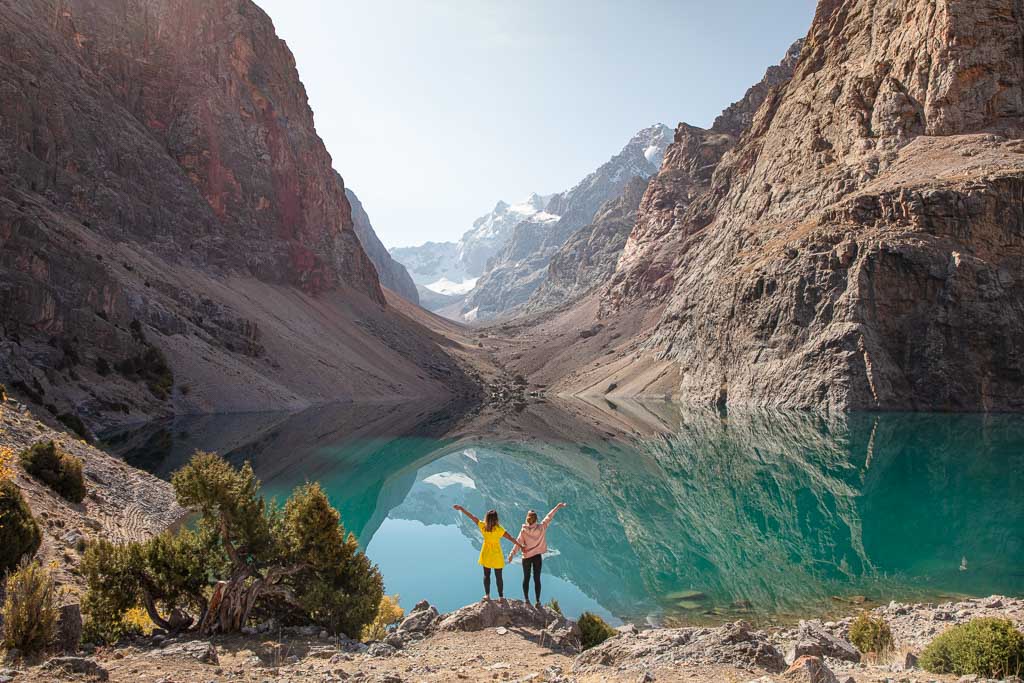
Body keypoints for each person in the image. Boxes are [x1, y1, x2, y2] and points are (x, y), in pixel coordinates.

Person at [453, 505, 524, 601]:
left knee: (486, 575)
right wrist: (520, 546)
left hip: (486, 553)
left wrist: (461, 508)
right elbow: (510, 538)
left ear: (487, 518)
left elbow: (472, 517)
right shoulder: (499, 529)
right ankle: (501, 597)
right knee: (499, 577)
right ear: (496, 519)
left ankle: (487, 595)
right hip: (496, 555)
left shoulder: (483, 526)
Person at [508, 502, 567, 607]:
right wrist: (557, 507)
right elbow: (549, 517)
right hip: (537, 557)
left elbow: (518, 542)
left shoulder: (524, 530)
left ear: (527, 519)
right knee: (537, 579)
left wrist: (512, 554)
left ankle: (526, 600)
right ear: (536, 519)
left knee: (526, 578)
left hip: (526, 558)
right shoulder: (541, 527)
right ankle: (538, 601)